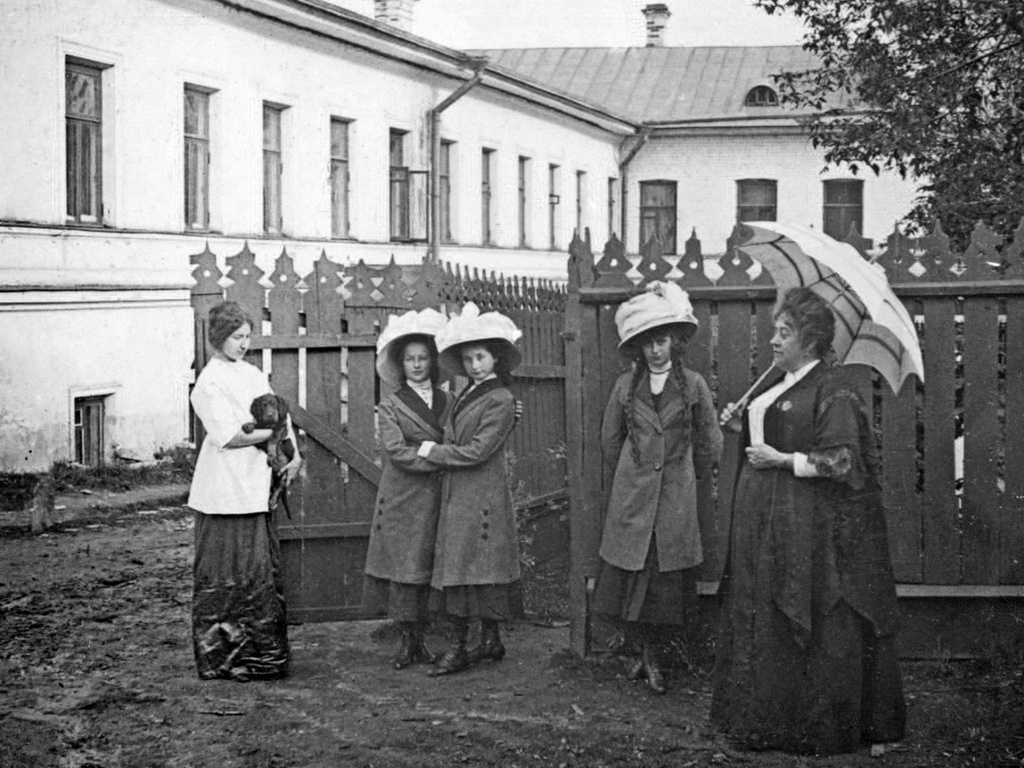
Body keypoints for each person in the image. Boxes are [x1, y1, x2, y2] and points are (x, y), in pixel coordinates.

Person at [711, 287, 906, 754]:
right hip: (767, 518)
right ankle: (761, 718)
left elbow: (841, 460)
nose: (774, 340)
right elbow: (777, 432)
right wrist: (741, 425)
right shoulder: (783, 382)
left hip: (807, 525)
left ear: (812, 339)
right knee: (762, 609)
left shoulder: (835, 388)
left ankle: (806, 726)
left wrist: (782, 461)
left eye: (785, 333)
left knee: (803, 607)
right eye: (775, 331)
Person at [591, 281, 723, 694]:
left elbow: (711, 441)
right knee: (632, 576)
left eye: (661, 341)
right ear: (638, 347)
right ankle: (642, 654)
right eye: (647, 343)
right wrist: (634, 473)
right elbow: (610, 440)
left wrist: (683, 474)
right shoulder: (625, 386)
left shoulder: (693, 385)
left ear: (675, 343)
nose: (655, 350)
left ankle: (653, 657)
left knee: (663, 582)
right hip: (633, 498)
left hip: (673, 498)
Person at [188, 300, 302, 681]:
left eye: (247, 336)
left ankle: (262, 656)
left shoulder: (253, 374)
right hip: (224, 487)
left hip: (255, 483)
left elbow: (281, 416)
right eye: (236, 336)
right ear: (219, 337)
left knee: (258, 573)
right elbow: (230, 435)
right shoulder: (208, 382)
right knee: (226, 573)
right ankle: (222, 658)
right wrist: (273, 435)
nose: (243, 343)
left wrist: (292, 456)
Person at [415, 302, 523, 676]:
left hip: (481, 494)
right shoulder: (468, 392)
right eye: (468, 359)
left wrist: (434, 452)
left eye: (481, 357)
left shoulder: (501, 398)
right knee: (470, 566)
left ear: (496, 358)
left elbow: (478, 450)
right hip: (461, 491)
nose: (475, 365)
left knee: (468, 568)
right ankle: (491, 640)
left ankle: (459, 648)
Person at [363, 308, 450, 670]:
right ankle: (406, 641)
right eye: (410, 359)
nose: (416, 365)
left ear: (432, 361)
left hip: (438, 494)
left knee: (428, 567)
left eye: (423, 358)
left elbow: (460, 438)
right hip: (404, 494)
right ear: (401, 364)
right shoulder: (390, 405)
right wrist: (442, 460)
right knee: (405, 569)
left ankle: (423, 639)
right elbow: (397, 452)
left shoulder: (448, 401)